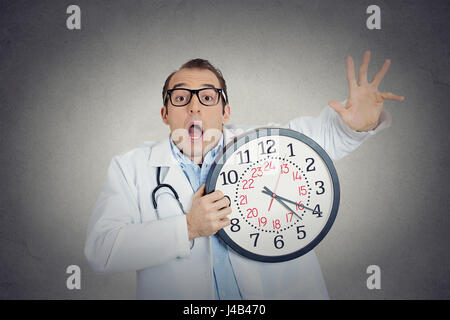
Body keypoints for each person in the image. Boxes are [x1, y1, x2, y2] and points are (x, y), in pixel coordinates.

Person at [84, 52, 404, 299]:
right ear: (165, 113)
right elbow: (102, 251)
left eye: (208, 97)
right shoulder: (130, 167)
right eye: (181, 98)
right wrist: (188, 228)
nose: (194, 107)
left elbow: (323, 137)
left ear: (226, 112)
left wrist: (355, 124)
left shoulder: (266, 142)